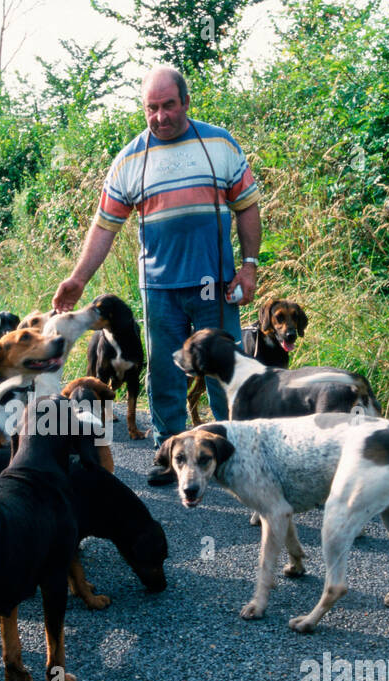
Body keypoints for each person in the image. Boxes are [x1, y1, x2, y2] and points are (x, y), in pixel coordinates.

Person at [52, 65, 262, 484]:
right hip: (159, 288)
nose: (161, 116)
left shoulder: (218, 144)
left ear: (186, 102)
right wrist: (77, 280)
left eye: (169, 106)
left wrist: (249, 267)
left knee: (225, 369)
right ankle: (171, 453)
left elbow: (248, 207)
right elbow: (105, 226)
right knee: (166, 372)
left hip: (214, 285)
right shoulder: (131, 158)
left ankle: (234, 454)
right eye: (152, 108)